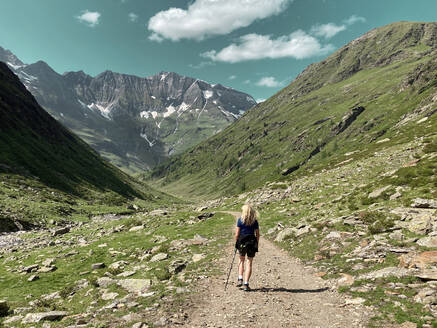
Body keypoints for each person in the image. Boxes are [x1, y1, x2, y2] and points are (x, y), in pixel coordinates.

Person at [235, 204, 260, 291]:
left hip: (242, 241)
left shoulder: (240, 220)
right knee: (249, 262)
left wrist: (237, 242)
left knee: (241, 259)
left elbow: (237, 234)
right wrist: (256, 243)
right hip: (252, 241)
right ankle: (246, 284)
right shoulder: (255, 221)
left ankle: (240, 278)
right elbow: (257, 234)